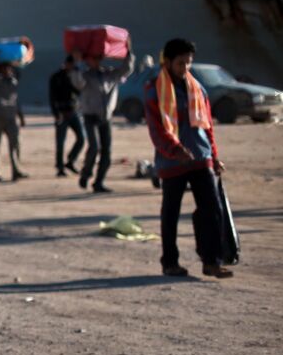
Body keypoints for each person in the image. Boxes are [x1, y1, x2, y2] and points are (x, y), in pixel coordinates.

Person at [145, 38, 231, 278]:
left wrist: (213, 156)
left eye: (188, 63)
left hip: (200, 157)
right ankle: (170, 262)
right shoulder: (154, 90)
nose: (185, 69)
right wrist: (175, 149)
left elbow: (207, 126)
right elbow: (156, 129)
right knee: (170, 213)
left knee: (212, 209)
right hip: (172, 161)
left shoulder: (197, 88)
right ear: (168, 62)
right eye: (181, 63)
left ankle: (211, 260)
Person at [70, 40, 134, 193]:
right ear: (87, 59)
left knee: (107, 152)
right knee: (93, 147)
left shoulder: (109, 74)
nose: (96, 60)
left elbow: (127, 69)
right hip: (90, 116)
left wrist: (128, 51)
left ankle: (98, 182)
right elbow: (77, 83)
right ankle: (86, 173)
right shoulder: (84, 75)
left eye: (98, 57)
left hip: (105, 118)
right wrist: (77, 62)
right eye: (93, 58)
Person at [0, 58, 28, 182]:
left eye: (10, 68)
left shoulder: (12, 82)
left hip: (11, 117)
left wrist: (21, 116)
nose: (9, 71)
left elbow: (15, 100)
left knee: (15, 143)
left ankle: (16, 170)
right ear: (0, 70)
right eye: (6, 68)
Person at [48, 56, 84, 177]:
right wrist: (56, 113)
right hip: (62, 113)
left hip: (73, 111)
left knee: (82, 138)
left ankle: (71, 160)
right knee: (60, 142)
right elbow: (52, 97)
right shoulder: (56, 77)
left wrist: (76, 77)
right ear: (66, 64)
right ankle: (60, 167)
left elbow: (79, 91)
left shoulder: (74, 76)